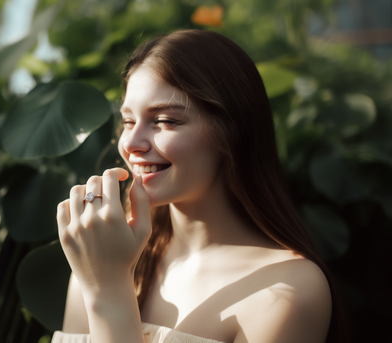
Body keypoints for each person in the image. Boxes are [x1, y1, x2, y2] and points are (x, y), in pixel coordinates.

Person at [54, 30, 346, 343]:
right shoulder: (105, 257)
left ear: (231, 132)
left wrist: (109, 290)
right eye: (127, 121)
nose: (131, 143)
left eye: (164, 120)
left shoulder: (290, 288)